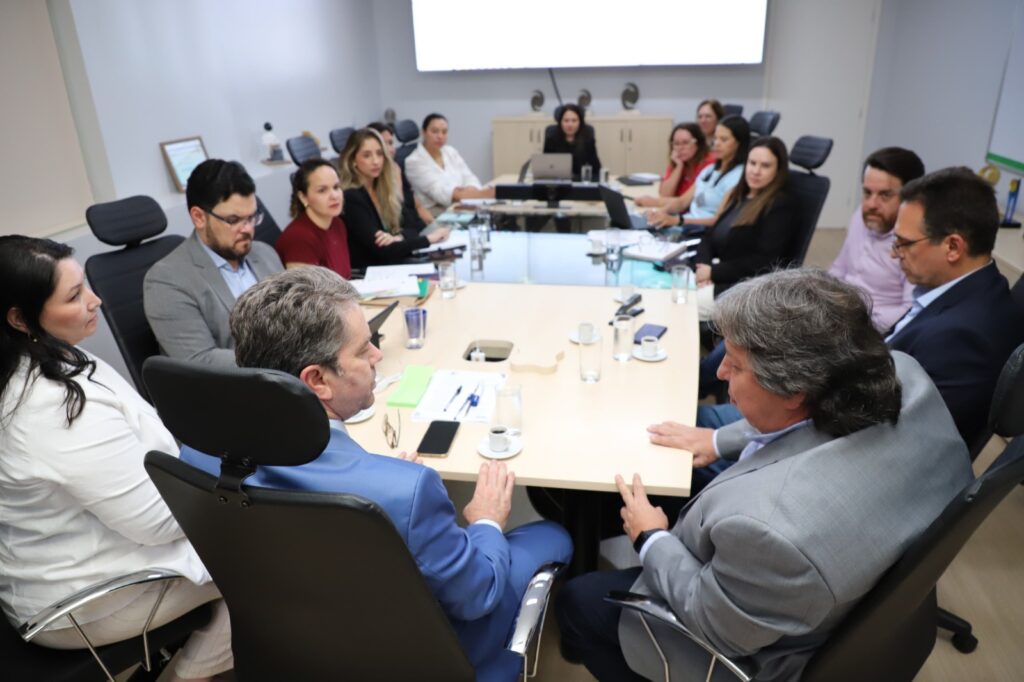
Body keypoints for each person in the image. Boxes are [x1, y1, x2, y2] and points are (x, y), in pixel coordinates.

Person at [556, 268, 972, 682]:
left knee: (578, 602)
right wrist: (718, 440)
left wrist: (651, 539)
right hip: (836, 576)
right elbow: (804, 421)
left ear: (793, 391)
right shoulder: (904, 376)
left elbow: (712, 622)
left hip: (757, 648)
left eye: (735, 366)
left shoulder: (773, 532)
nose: (720, 373)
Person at [179, 267, 572, 681]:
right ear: (317, 380)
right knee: (552, 535)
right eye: (363, 349)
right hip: (419, 661)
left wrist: (390, 483)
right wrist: (486, 520)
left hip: (286, 650)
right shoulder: (403, 491)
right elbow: (477, 596)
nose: (377, 356)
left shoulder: (198, 456)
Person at [661, 167, 1024, 492]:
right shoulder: (968, 295)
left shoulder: (962, 335)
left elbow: (873, 435)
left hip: (820, 457)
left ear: (953, 246)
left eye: (903, 243)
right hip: (814, 422)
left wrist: (719, 442)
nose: (894, 253)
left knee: (669, 449)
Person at [0, 236, 232, 682]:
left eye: (85, 286)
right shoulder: (49, 407)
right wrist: (229, 486)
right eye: (74, 296)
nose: (96, 301)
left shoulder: (51, 357)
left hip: (90, 563)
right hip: (90, 600)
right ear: (19, 318)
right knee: (271, 562)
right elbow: (157, 522)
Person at [144, 159, 283, 366]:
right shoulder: (166, 280)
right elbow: (199, 359)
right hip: (237, 382)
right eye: (234, 220)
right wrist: (281, 361)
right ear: (199, 217)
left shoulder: (265, 254)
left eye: (251, 217)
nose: (247, 229)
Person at [692, 136, 796, 320]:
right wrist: (704, 269)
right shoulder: (739, 195)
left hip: (745, 287)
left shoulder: (780, 205)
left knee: (684, 305)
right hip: (718, 275)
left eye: (765, 166)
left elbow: (764, 261)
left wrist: (713, 272)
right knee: (670, 287)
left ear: (778, 171)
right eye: (752, 163)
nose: (756, 171)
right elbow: (709, 237)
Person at [829, 147, 923, 331]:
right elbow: (839, 269)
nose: (871, 204)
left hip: (871, 330)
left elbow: (909, 311)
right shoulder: (860, 216)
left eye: (885, 195)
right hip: (839, 314)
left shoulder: (916, 243)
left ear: (910, 198)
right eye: (867, 192)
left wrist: (855, 319)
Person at [340, 128, 451, 271]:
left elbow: (413, 227)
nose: (376, 161)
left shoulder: (384, 189)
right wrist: (429, 239)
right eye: (367, 155)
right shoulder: (351, 197)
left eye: (379, 154)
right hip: (374, 271)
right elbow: (383, 250)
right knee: (441, 269)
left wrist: (399, 237)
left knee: (448, 262)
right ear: (353, 160)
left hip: (395, 260)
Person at [647, 115, 750, 229]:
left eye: (724, 139)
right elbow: (682, 202)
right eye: (715, 138)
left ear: (739, 143)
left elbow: (718, 221)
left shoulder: (738, 177)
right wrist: (660, 212)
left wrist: (676, 220)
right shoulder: (710, 169)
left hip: (700, 232)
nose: (716, 143)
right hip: (686, 225)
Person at [404, 113, 495, 216]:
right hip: (437, 214)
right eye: (435, 131)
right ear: (423, 132)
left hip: (461, 205)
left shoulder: (450, 151)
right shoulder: (414, 162)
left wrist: (470, 191)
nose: (440, 136)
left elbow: (469, 177)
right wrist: (479, 194)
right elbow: (441, 193)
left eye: (444, 132)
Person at [274, 158, 352, 278]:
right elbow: (307, 289)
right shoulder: (298, 238)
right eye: (322, 190)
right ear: (303, 197)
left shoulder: (337, 224)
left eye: (336, 187)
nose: (334, 196)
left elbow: (345, 277)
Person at [367, 120, 436, 232]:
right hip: (405, 232)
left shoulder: (396, 168)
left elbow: (417, 205)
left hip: (417, 227)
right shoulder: (373, 180)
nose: (391, 149)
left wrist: (434, 226)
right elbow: (396, 219)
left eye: (391, 143)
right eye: (384, 144)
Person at [634, 122, 714, 208]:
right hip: (676, 211)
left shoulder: (709, 164)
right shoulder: (678, 162)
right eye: (676, 144)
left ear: (698, 144)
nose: (680, 148)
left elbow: (686, 202)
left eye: (685, 143)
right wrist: (679, 167)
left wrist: (653, 202)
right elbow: (665, 195)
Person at [543, 104, 601, 181]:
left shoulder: (588, 138)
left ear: (580, 122)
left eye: (574, 120)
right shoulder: (552, 138)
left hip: (581, 183)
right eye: (566, 121)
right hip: (558, 183)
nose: (570, 125)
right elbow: (546, 168)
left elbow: (596, 169)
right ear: (560, 122)